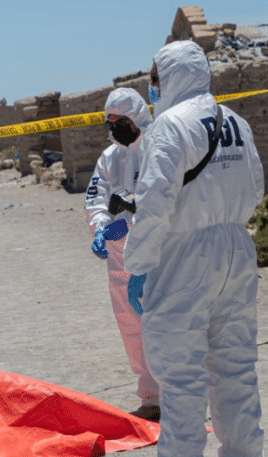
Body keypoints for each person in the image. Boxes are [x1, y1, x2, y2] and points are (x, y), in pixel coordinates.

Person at [122, 40, 266, 457]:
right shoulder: (237, 124)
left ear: (168, 76)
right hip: (236, 248)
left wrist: (137, 266)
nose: (153, 87)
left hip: (185, 254)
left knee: (180, 370)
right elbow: (258, 185)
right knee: (235, 365)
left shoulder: (170, 125)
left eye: (155, 77)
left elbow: (155, 204)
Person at [84, 87, 160, 423]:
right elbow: (97, 198)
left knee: (161, 323)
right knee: (131, 327)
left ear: (135, 118)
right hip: (119, 260)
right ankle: (150, 396)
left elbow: (160, 199)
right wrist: (101, 227)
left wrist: (127, 223)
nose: (114, 127)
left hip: (157, 256)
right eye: (109, 121)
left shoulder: (158, 149)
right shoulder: (109, 158)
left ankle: (178, 394)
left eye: (119, 120)